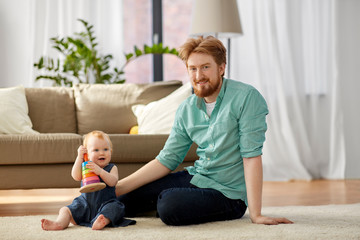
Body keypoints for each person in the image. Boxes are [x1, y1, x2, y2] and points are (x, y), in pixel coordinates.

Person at [116, 36, 293, 226]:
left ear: (221, 68)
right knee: (123, 197)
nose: (198, 75)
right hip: (198, 177)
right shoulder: (187, 108)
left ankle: (162, 202)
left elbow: (251, 157)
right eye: (193, 68)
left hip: (229, 194)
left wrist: (256, 214)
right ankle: (85, 209)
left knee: (169, 205)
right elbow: (167, 159)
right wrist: (116, 188)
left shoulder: (247, 98)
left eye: (205, 67)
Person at [41, 130, 135, 230]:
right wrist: (79, 158)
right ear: (88, 155)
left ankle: (101, 221)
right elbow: (76, 176)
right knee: (65, 210)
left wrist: (100, 172)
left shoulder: (112, 168)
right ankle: (59, 223)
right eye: (96, 150)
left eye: (106, 149)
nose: (102, 153)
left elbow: (113, 182)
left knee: (115, 208)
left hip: (106, 203)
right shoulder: (86, 166)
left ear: (110, 151)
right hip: (84, 204)